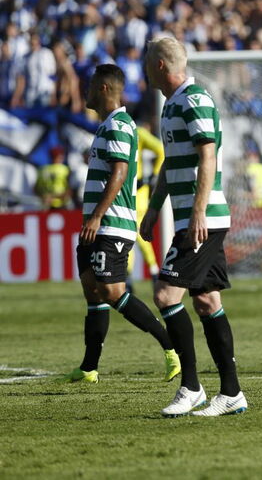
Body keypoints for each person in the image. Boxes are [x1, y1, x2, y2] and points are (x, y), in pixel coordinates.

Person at [140, 36, 247, 417]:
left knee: (166, 295)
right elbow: (172, 163)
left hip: (203, 219)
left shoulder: (195, 99)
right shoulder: (172, 105)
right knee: (207, 301)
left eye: (147, 62)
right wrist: (154, 208)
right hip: (194, 217)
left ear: (160, 65)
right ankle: (231, 393)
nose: (144, 68)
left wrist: (198, 212)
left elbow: (208, 156)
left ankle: (191, 387)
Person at [67, 64, 180, 384]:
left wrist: (97, 216)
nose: (86, 91)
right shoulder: (107, 126)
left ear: (103, 89)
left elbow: (119, 173)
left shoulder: (119, 125)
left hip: (111, 223)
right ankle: (89, 368)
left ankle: (172, 348)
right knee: (92, 290)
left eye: (91, 85)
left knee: (112, 290)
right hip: (96, 224)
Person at [127, 120, 164, 280]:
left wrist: (153, 177)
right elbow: (160, 151)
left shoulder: (136, 133)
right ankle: (152, 270)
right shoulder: (137, 133)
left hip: (137, 192)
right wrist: (153, 176)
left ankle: (131, 276)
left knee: (132, 233)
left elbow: (161, 150)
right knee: (130, 233)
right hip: (130, 191)